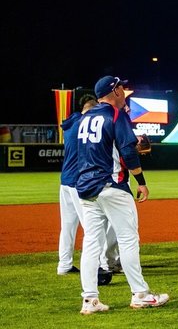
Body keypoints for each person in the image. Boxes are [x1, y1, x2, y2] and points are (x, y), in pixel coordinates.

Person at [75, 76, 169, 314]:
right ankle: (140, 295)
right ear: (114, 91)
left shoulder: (85, 117)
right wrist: (141, 181)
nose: (123, 91)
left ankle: (90, 300)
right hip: (111, 184)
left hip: (86, 187)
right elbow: (128, 149)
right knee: (128, 239)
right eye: (120, 88)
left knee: (91, 244)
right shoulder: (116, 115)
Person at [58, 98, 118, 285]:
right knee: (93, 227)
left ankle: (64, 264)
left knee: (68, 226)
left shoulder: (71, 124)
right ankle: (101, 266)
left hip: (65, 182)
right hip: (79, 181)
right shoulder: (86, 124)